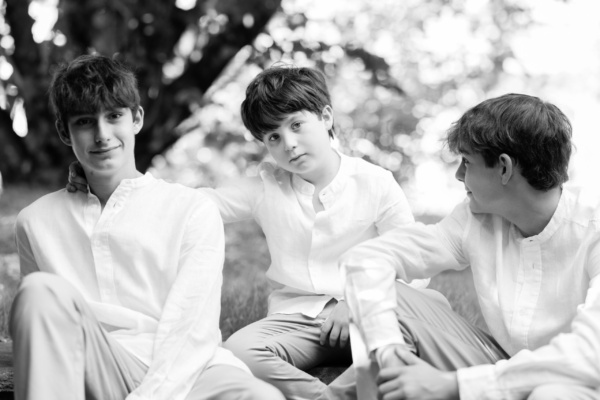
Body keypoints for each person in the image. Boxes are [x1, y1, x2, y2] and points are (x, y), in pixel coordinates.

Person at [65, 64, 431, 399]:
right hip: (298, 319)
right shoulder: (266, 186)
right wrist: (109, 182)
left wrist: (357, 301)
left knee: (410, 342)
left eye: (297, 125)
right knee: (239, 353)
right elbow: (190, 203)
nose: (287, 143)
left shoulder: (375, 182)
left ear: (326, 117)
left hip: (367, 312)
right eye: (272, 137)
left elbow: (416, 262)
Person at [11, 54, 284, 400]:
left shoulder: (191, 209)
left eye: (114, 117)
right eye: (84, 122)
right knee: (38, 291)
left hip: (187, 370)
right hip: (93, 363)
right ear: (65, 132)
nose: (102, 134)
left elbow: (192, 327)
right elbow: (39, 329)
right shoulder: (35, 222)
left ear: (136, 119)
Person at [333, 93, 600, 400]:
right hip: (497, 369)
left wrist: (452, 385)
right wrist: (388, 349)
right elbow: (366, 260)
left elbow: (589, 356)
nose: (459, 175)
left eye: (467, 162)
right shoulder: (475, 218)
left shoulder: (593, 226)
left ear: (504, 168)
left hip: (581, 385)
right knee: (390, 293)